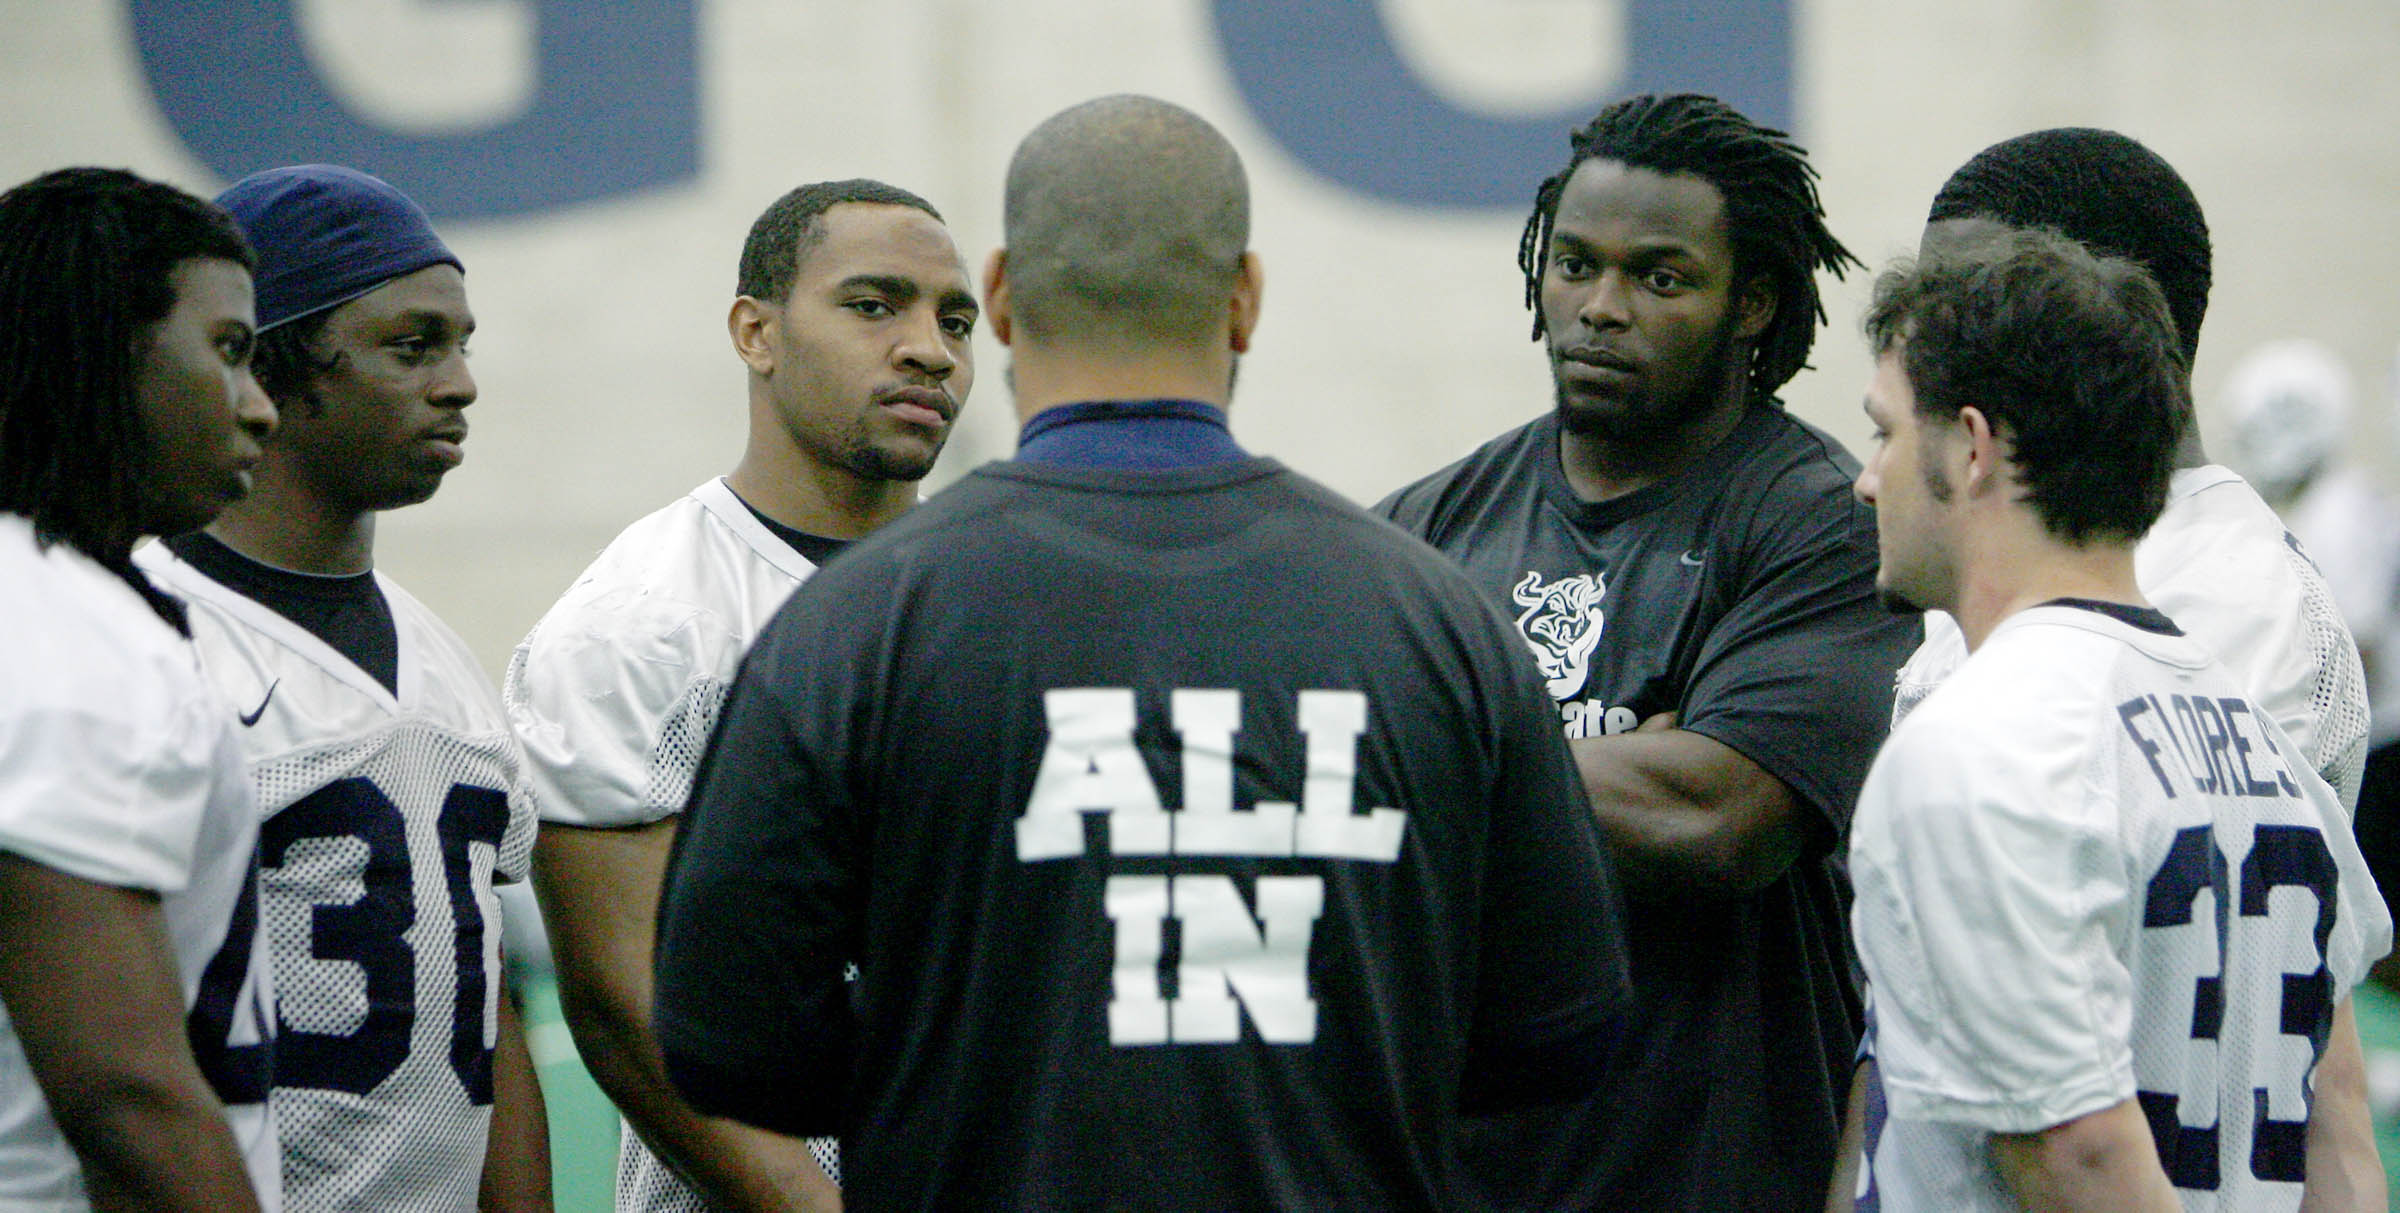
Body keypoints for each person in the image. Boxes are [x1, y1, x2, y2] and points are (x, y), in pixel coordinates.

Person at [650, 94, 1632, 1209]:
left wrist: (966, 1050)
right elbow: (1561, 1034)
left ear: (1007, 298)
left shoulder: (856, 623)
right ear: (1246, 298)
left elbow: (722, 1041)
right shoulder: (1438, 622)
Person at [1376, 92, 1918, 1208]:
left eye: (1660, 278)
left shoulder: (1820, 522)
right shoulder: (1426, 527)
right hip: (1469, 1173)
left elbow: (1714, 816)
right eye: (1573, 266)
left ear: (1752, 303)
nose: (1600, 309)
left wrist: (1423, 751)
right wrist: (1638, 749)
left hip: (1712, 1172)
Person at [1836, 226, 2389, 1211]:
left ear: (1969, 449)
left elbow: (2081, 1156)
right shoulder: (2266, 748)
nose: (1866, 477)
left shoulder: (1978, 746)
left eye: (1885, 430)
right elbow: (2340, 1142)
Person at [505, 177, 979, 1210]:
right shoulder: (638, 625)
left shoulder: (1010, 597)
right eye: (872, 305)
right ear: (756, 332)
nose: (929, 349)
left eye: (955, 320)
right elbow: (625, 1013)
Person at [132, 164, 547, 1211]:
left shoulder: (442, 658)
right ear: (268, 366)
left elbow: (488, 1008)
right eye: (413, 346)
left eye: (460, 344)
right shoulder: (143, 639)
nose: (459, 383)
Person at [1890, 130, 2373, 817]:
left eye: (1965, 306)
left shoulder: (2225, 594)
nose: (1927, 350)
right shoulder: (2044, 542)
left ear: (2102, 314)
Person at [0, 167, 282, 1210]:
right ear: (105, 350)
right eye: (228, 352)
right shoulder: (62, 640)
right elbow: (123, 1094)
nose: (260, 409)